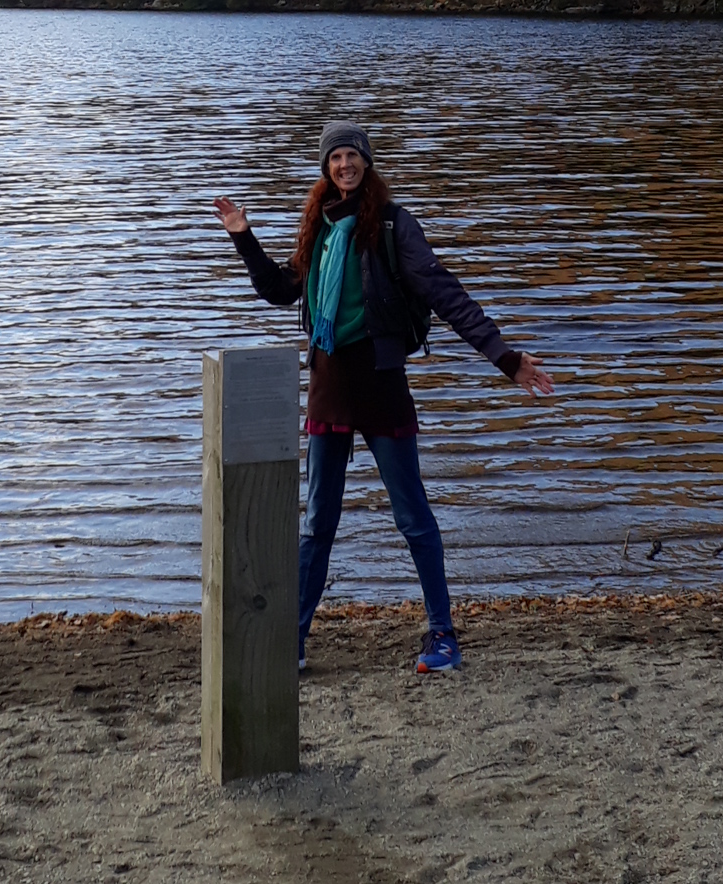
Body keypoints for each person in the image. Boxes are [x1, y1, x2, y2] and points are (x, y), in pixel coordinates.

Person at [213, 120, 555, 676]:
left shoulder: (394, 225)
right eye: (335, 158)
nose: (344, 165)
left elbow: (445, 293)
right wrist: (242, 235)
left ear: (367, 162)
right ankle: (292, 638)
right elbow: (279, 290)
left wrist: (505, 358)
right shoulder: (319, 227)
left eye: (352, 155)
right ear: (326, 168)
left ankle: (442, 636)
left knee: (412, 516)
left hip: (381, 383)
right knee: (317, 522)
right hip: (328, 387)